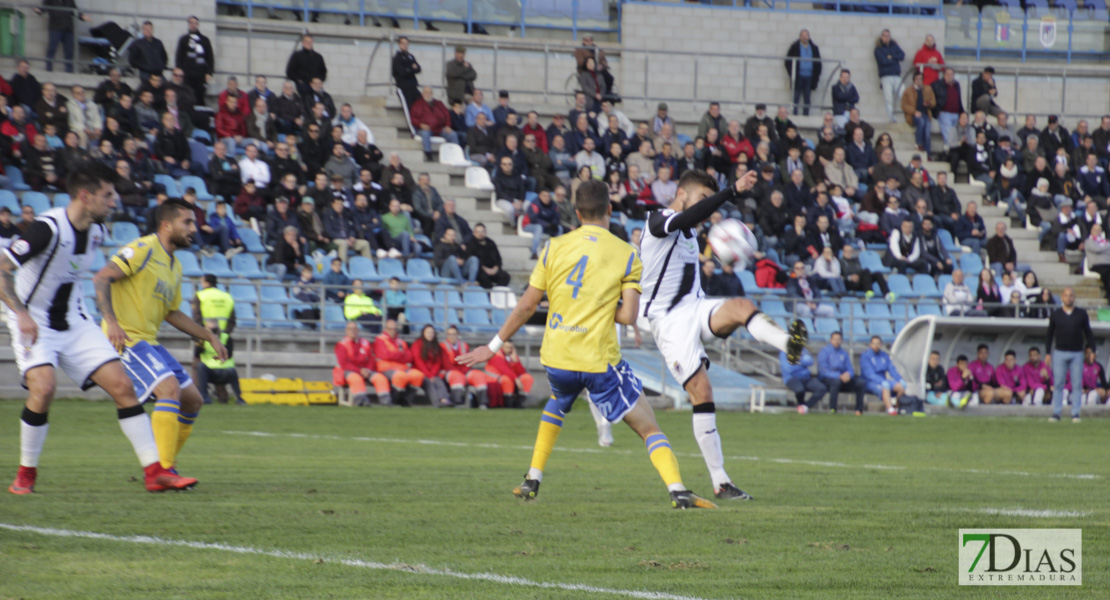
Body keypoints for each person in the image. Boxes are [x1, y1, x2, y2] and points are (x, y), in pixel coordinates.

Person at [456, 179, 717, 509]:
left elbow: (526, 305)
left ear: (577, 213)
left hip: (558, 357)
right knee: (648, 426)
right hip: (597, 361)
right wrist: (602, 305)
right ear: (610, 209)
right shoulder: (626, 253)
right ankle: (678, 490)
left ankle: (532, 478)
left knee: (559, 399)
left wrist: (491, 347)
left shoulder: (553, 247)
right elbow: (627, 316)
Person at [2, 162, 194, 495]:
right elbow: (3, 269)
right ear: (85, 195)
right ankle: (26, 474)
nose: (114, 202)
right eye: (108, 195)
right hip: (34, 322)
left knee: (123, 387)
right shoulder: (46, 228)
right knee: (44, 390)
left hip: (76, 322)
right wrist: (20, 313)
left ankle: (154, 473)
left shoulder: (97, 231)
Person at [640, 169, 803, 499]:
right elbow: (687, 217)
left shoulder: (690, 235)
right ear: (683, 195)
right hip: (668, 321)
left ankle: (788, 344)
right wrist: (731, 191)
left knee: (742, 306)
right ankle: (720, 480)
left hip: (695, 308)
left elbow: (695, 222)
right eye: (702, 198)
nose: (706, 208)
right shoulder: (658, 220)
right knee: (702, 391)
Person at [94, 197, 227, 481]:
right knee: (168, 388)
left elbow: (171, 313)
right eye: (187, 222)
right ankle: (160, 473)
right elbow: (102, 278)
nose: (194, 228)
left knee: (193, 400)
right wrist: (113, 323)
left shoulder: (175, 266)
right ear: (166, 225)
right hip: (126, 338)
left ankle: (166, 465)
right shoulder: (142, 249)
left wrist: (208, 336)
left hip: (148, 341)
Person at [1046, 287, 1093, 422]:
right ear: (1062, 297)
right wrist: (1048, 353)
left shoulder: (1081, 314)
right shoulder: (1056, 314)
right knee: (1059, 383)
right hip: (1060, 352)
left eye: (1071, 296)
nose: (1068, 298)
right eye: (1066, 296)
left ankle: (1075, 413)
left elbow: (1088, 332)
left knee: (1077, 384)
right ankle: (1056, 412)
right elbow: (1049, 335)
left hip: (1077, 352)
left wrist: (1092, 349)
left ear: (1074, 297)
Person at [333, 321, 391, 406]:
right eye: (350, 329)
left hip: (366, 370)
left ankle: (386, 402)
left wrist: (368, 369)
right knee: (356, 379)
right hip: (348, 370)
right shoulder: (341, 345)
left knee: (380, 378)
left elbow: (371, 358)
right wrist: (360, 370)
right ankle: (361, 402)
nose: (353, 331)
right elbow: (344, 364)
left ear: (358, 330)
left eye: (355, 329)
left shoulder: (365, 342)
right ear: (346, 331)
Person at [374, 319, 423, 406]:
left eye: (395, 329)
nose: (393, 331)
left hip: (402, 368)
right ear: (385, 329)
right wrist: (401, 354)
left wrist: (396, 356)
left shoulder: (401, 341)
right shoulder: (380, 339)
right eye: (390, 329)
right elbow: (385, 355)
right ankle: (394, 400)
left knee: (418, 375)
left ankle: (406, 400)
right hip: (386, 368)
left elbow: (409, 357)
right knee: (401, 376)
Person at [193, 318, 241, 405]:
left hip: (224, 369)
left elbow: (229, 354)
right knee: (200, 367)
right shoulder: (203, 339)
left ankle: (239, 398)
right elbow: (196, 354)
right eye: (211, 329)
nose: (213, 331)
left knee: (232, 371)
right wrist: (201, 341)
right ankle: (205, 398)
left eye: (214, 328)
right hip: (209, 371)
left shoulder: (225, 337)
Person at [440, 326, 491, 408]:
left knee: (478, 376)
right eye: (449, 334)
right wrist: (460, 372)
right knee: (457, 376)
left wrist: (464, 371)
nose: (452, 336)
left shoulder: (464, 345)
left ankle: (482, 403)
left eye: (454, 334)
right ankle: (457, 403)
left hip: (464, 370)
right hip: (450, 371)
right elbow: (447, 364)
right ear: (447, 335)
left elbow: (468, 361)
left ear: (457, 335)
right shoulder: (442, 346)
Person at [816, 332, 864, 415]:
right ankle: (833, 409)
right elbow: (823, 370)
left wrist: (848, 375)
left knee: (861, 383)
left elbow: (850, 368)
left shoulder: (844, 353)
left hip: (843, 378)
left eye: (839, 339)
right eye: (834, 339)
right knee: (836, 382)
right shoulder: (824, 351)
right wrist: (839, 376)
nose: (836, 341)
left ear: (841, 341)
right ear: (831, 340)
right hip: (827, 378)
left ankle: (858, 410)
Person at [859, 336, 907, 416]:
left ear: (881, 345)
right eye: (874, 344)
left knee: (901, 386)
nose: (876, 346)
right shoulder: (865, 356)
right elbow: (869, 374)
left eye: (878, 344)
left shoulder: (884, 355)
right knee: (885, 385)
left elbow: (892, 369)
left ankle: (897, 407)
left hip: (883, 380)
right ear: (870, 345)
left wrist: (899, 379)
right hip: (870, 382)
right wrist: (882, 381)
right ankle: (890, 409)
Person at [410, 87, 459, 160]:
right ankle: (428, 154)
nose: (428, 94)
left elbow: (446, 115)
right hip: (426, 129)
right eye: (426, 92)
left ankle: (455, 154)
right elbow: (413, 118)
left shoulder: (438, 103)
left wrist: (448, 125)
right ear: (423, 94)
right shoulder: (417, 104)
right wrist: (420, 124)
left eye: (430, 92)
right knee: (425, 133)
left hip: (439, 128)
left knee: (453, 134)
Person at [175, 16, 214, 106]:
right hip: (187, 76)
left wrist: (209, 72)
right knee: (187, 97)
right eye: (191, 23)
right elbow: (179, 57)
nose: (193, 25)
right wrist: (178, 72)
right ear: (188, 24)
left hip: (200, 76)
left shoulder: (205, 40)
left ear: (198, 25)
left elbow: (210, 57)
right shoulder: (183, 40)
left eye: (195, 23)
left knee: (199, 98)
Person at [410, 325, 452, 407]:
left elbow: (437, 362)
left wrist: (432, 374)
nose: (430, 334)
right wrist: (428, 375)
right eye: (428, 332)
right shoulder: (417, 344)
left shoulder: (436, 346)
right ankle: (436, 402)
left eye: (432, 332)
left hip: (432, 373)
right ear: (423, 333)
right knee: (429, 383)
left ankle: (444, 400)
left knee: (439, 381)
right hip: (420, 373)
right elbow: (418, 361)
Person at [784, 30, 821, 116]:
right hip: (798, 76)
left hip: (809, 76)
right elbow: (788, 61)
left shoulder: (814, 48)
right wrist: (792, 73)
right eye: (803, 35)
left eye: (806, 35)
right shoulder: (794, 47)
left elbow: (818, 63)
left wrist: (816, 76)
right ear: (800, 37)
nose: (805, 37)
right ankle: (794, 114)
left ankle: (806, 115)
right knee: (795, 97)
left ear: (809, 37)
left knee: (807, 98)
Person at [781, 348, 826, 414]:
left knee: (822, 388)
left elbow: (810, 362)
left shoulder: (804, 350)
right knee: (800, 390)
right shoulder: (784, 351)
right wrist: (802, 361)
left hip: (806, 377)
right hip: (791, 378)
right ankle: (801, 405)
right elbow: (789, 368)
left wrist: (796, 361)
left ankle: (805, 407)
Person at [874, 29, 905, 123]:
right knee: (888, 99)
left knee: (904, 95)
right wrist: (895, 59)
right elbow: (883, 61)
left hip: (896, 75)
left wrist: (892, 57)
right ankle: (892, 118)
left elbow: (902, 55)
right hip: (886, 76)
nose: (887, 38)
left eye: (888, 36)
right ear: (881, 37)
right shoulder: (878, 49)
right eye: (885, 36)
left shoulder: (894, 46)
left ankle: (907, 116)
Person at [902, 72, 935, 154]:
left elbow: (934, 102)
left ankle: (927, 153)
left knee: (927, 133)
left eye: (920, 79)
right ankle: (918, 143)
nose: (919, 81)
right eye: (917, 79)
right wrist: (914, 112)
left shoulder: (928, 89)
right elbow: (904, 105)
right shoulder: (908, 91)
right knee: (921, 122)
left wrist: (929, 103)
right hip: (914, 114)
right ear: (914, 80)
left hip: (926, 114)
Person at [392, 36, 421, 108]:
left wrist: (409, 69)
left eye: (406, 43)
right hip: (404, 88)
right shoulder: (397, 58)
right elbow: (402, 72)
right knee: (409, 108)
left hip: (413, 87)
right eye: (403, 43)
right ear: (399, 45)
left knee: (421, 105)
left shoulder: (410, 56)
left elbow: (418, 69)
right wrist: (412, 68)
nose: (405, 45)